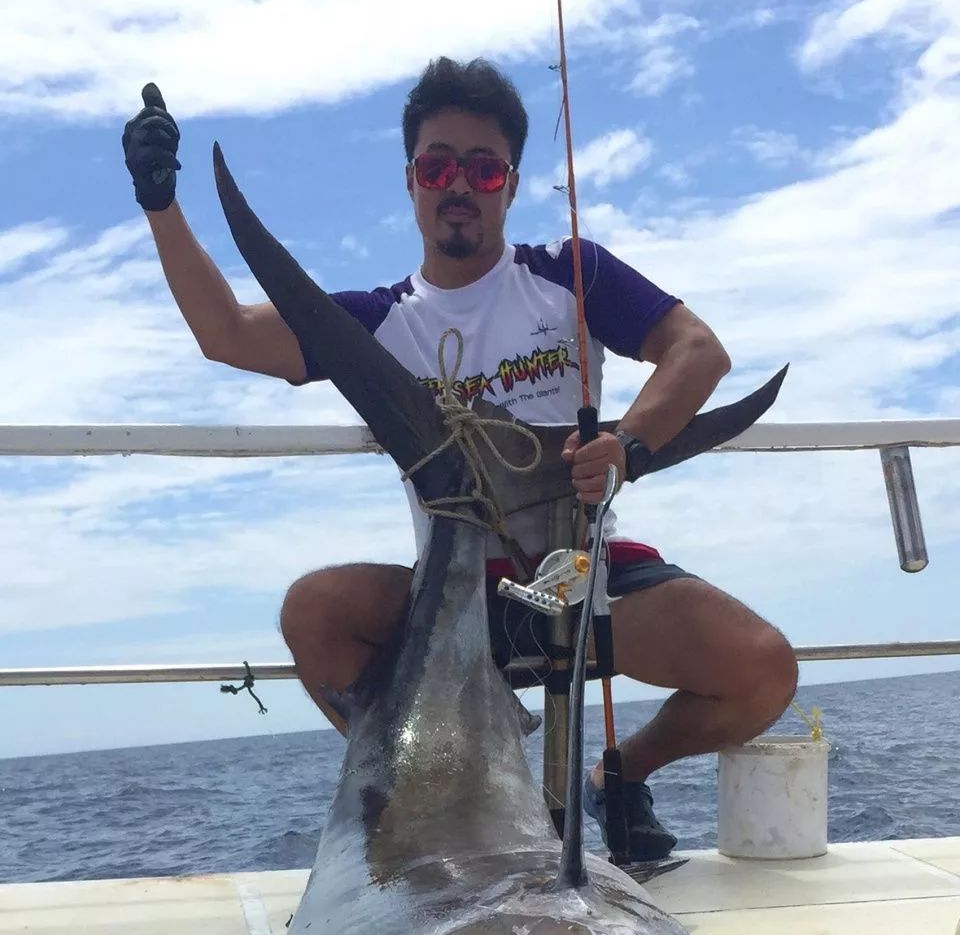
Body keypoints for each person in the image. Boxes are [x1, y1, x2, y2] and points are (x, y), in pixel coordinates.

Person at [122, 61, 797, 864]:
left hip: (583, 577)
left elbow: (696, 350)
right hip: (455, 593)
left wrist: (630, 446)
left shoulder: (570, 273)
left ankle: (614, 776)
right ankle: (460, 782)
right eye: (439, 165)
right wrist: (161, 204)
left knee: (762, 670)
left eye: (483, 168)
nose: (460, 185)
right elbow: (226, 332)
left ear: (510, 185)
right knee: (315, 611)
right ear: (411, 181)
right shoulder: (377, 321)